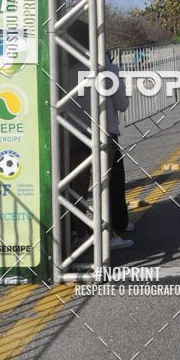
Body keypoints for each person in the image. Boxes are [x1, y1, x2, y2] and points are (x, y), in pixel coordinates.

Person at [67, 19, 133, 251]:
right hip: (104, 131)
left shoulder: (62, 65)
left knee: (78, 187)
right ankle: (109, 235)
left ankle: (80, 234)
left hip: (73, 132)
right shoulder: (104, 65)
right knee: (103, 185)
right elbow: (122, 104)